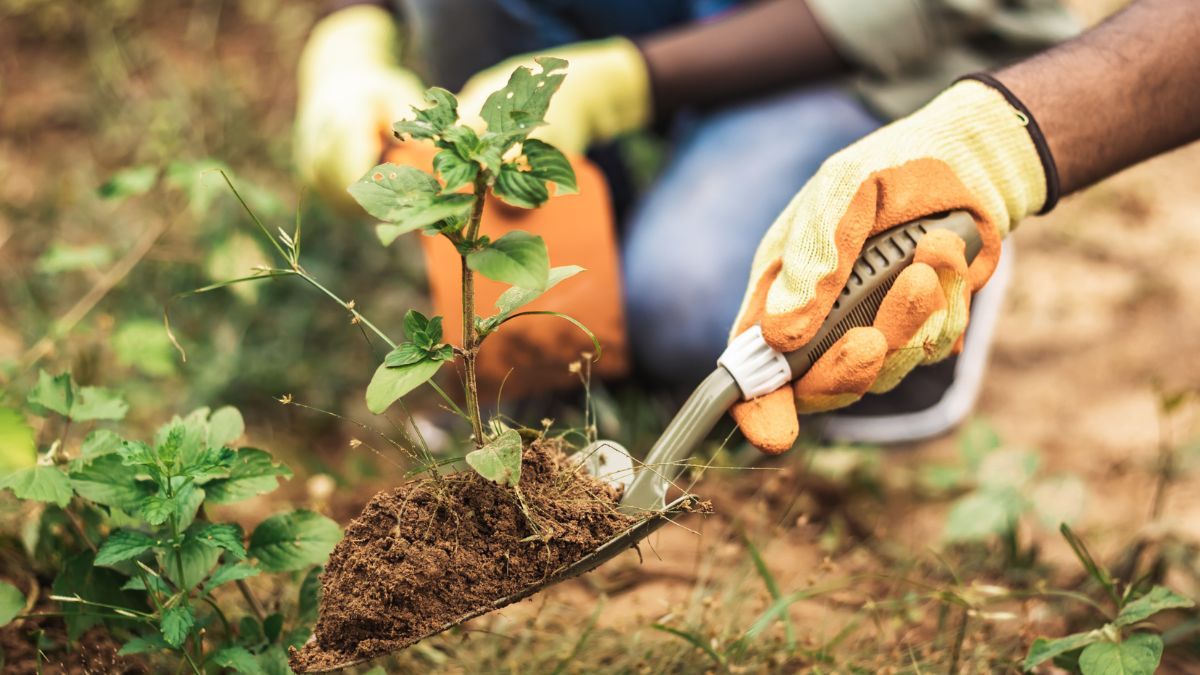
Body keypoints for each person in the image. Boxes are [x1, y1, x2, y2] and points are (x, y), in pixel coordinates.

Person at [294, 0, 1081, 448]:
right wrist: (347, 40)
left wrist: (626, 83)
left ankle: (928, 219)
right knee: (581, 330)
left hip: (862, 50)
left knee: (692, 310)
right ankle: (572, 351)